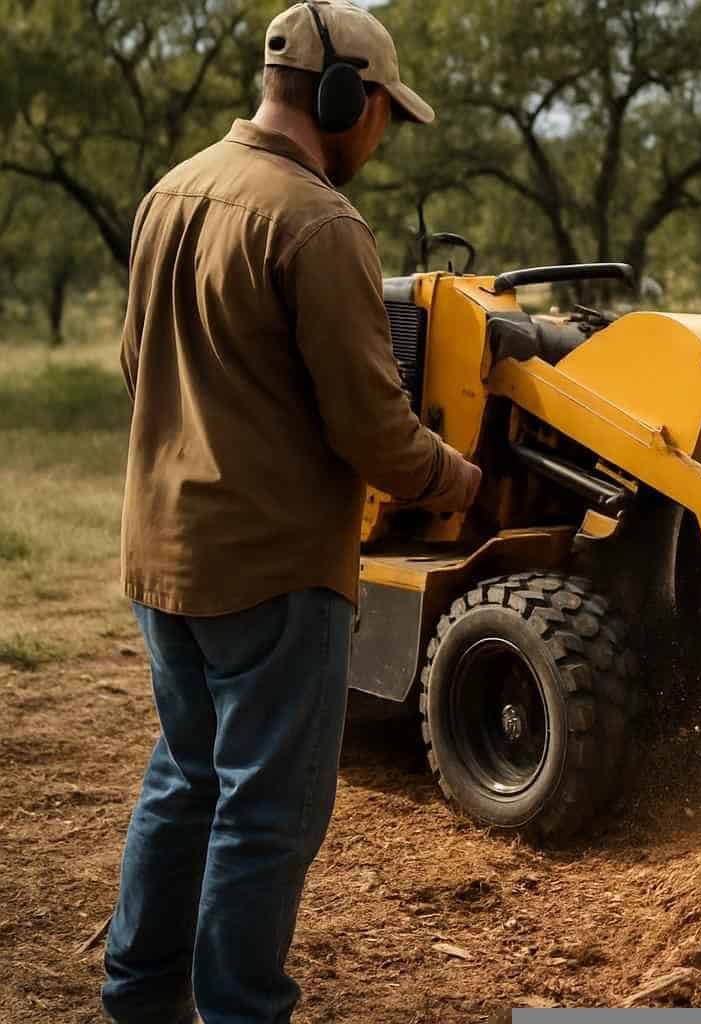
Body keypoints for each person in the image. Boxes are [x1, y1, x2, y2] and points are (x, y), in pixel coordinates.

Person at [104, 3, 479, 1022]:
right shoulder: (318, 222)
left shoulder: (171, 191)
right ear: (344, 95)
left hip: (163, 556)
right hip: (272, 572)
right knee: (266, 815)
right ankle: (240, 1010)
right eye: (383, 114)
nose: (381, 136)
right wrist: (458, 478)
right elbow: (373, 430)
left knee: (188, 777)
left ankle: (137, 996)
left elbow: (139, 367)